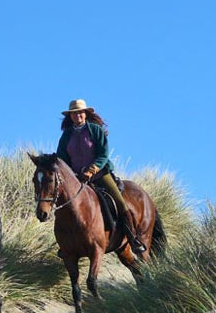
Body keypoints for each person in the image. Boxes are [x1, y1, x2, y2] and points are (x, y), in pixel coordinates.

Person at [56, 98, 147, 254]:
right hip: (76, 178)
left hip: (99, 174)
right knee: (63, 205)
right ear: (70, 116)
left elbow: (103, 153)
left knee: (120, 202)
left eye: (80, 113)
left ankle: (132, 238)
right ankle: (65, 243)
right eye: (74, 113)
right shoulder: (66, 136)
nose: (78, 116)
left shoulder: (95, 130)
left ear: (85, 114)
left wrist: (92, 169)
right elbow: (62, 158)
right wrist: (70, 174)